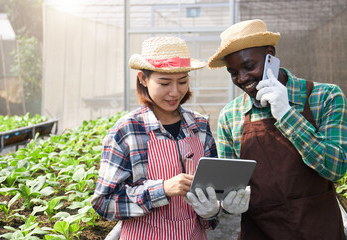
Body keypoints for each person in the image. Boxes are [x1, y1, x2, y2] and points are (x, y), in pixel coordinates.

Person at [91, 36, 249, 240]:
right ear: (143, 79)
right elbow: (104, 203)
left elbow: (214, 198)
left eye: (182, 81)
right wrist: (162, 189)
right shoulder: (127, 131)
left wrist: (213, 211)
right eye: (165, 83)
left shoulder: (199, 126)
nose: (175, 92)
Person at [207, 19, 347, 239]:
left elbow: (336, 168)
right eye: (233, 73)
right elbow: (229, 189)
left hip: (320, 230)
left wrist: (286, 115)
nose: (242, 79)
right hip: (260, 232)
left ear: (270, 56)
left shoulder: (326, 97)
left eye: (249, 66)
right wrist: (224, 203)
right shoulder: (231, 115)